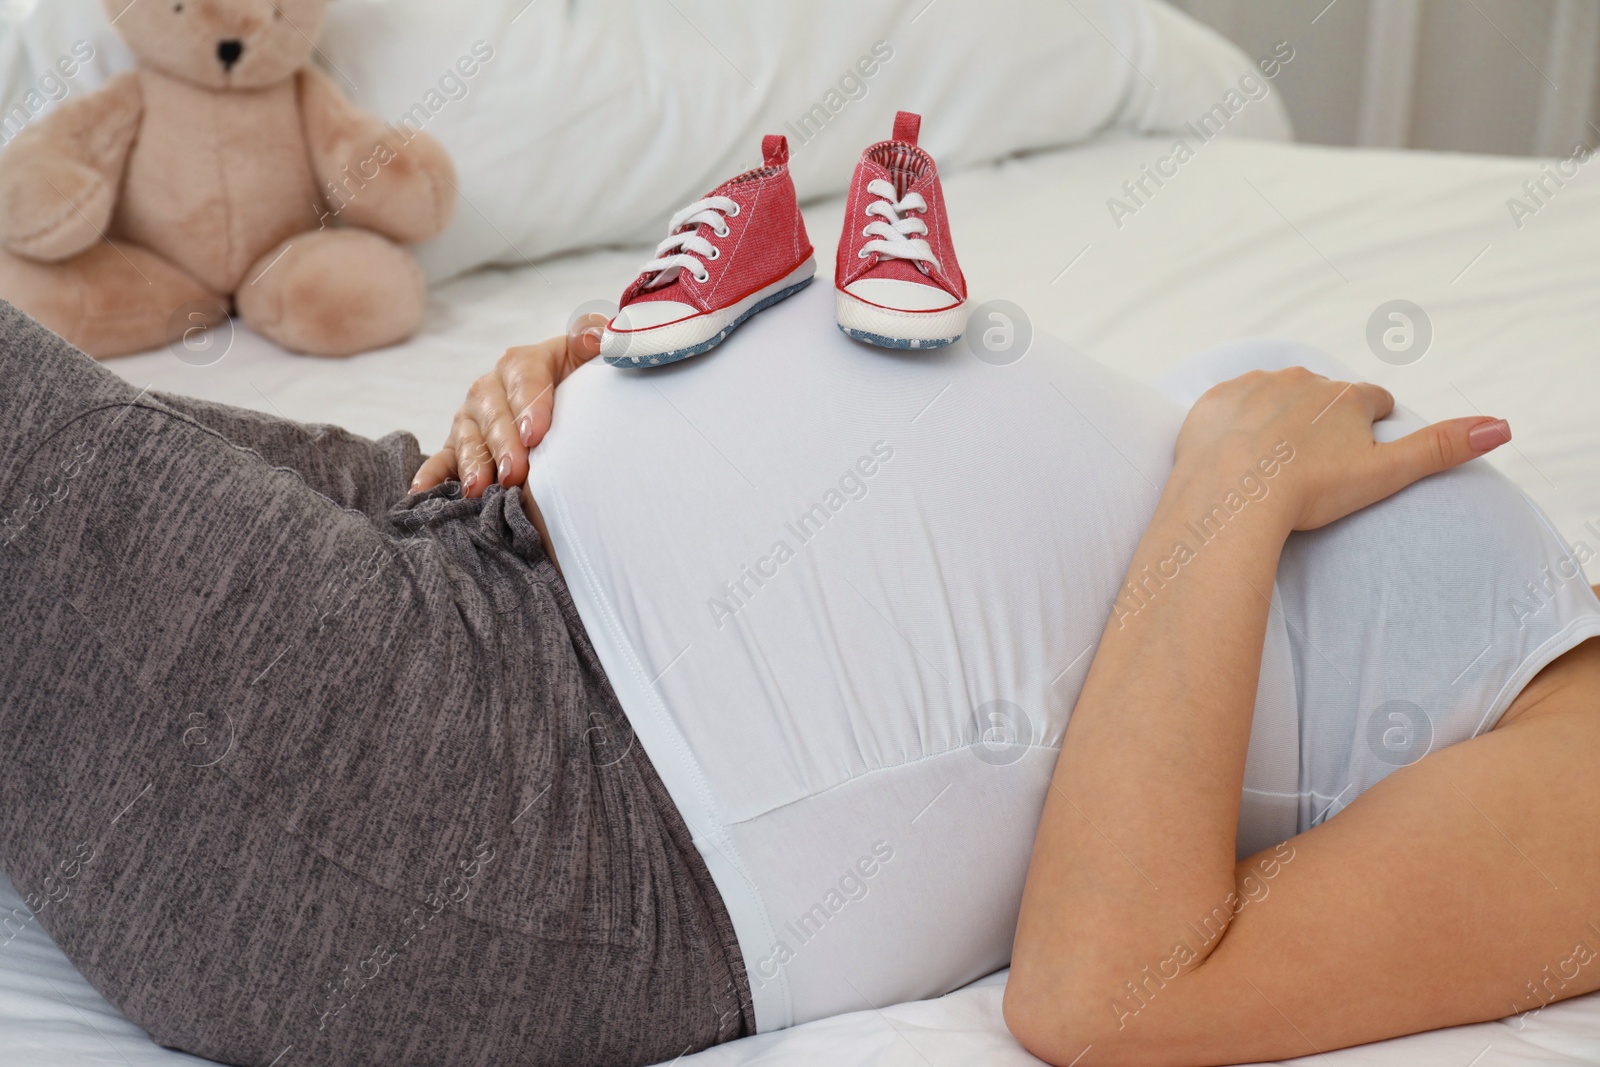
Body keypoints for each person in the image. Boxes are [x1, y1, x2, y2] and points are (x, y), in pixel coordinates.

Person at [1, 285, 1596, 1067]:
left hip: (544, 786)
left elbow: (1112, 995)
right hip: (472, 521)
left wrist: (1235, 495)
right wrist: (619, 391)